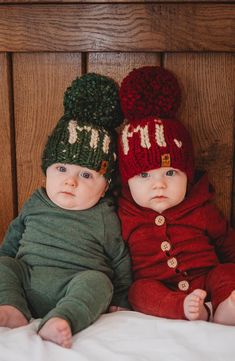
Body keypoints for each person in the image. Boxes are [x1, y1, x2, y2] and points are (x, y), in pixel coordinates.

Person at [0, 73, 132, 348]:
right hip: (27, 277)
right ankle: (12, 308)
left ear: (105, 186)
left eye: (86, 175)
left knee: (99, 282)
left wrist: (120, 299)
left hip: (75, 284)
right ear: (46, 169)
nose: (70, 181)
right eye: (61, 169)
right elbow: (11, 242)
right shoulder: (36, 202)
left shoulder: (104, 216)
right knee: (2, 265)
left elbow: (120, 261)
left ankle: (63, 319)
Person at [117, 65, 235, 325]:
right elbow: (114, 258)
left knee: (227, 272)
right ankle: (183, 308)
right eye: (145, 176)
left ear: (188, 175)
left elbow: (227, 244)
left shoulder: (201, 208)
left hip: (207, 279)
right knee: (140, 290)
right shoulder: (123, 215)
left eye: (170, 173)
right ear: (127, 182)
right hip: (162, 288)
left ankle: (226, 307)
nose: (158, 185)